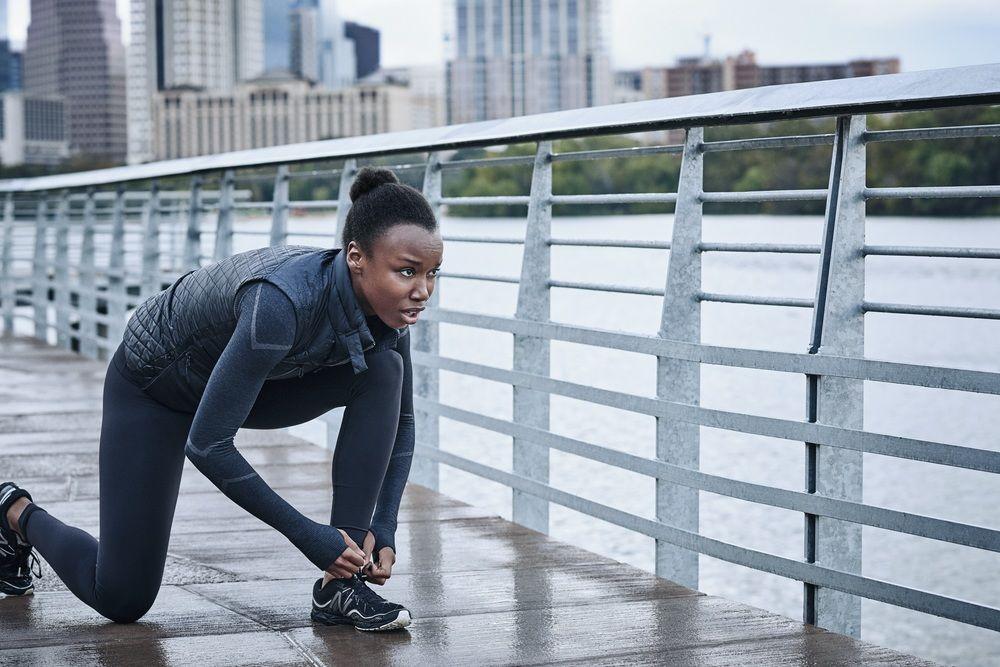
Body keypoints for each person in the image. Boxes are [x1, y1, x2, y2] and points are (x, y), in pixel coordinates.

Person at [0, 166, 444, 632]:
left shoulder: (392, 314)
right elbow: (208, 443)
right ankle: (14, 513)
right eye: (407, 272)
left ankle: (342, 587)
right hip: (155, 389)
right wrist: (308, 536)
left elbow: (404, 423)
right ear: (356, 257)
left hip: (249, 384)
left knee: (383, 368)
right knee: (121, 597)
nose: (422, 291)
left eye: (433, 273)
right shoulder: (280, 303)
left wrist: (386, 528)